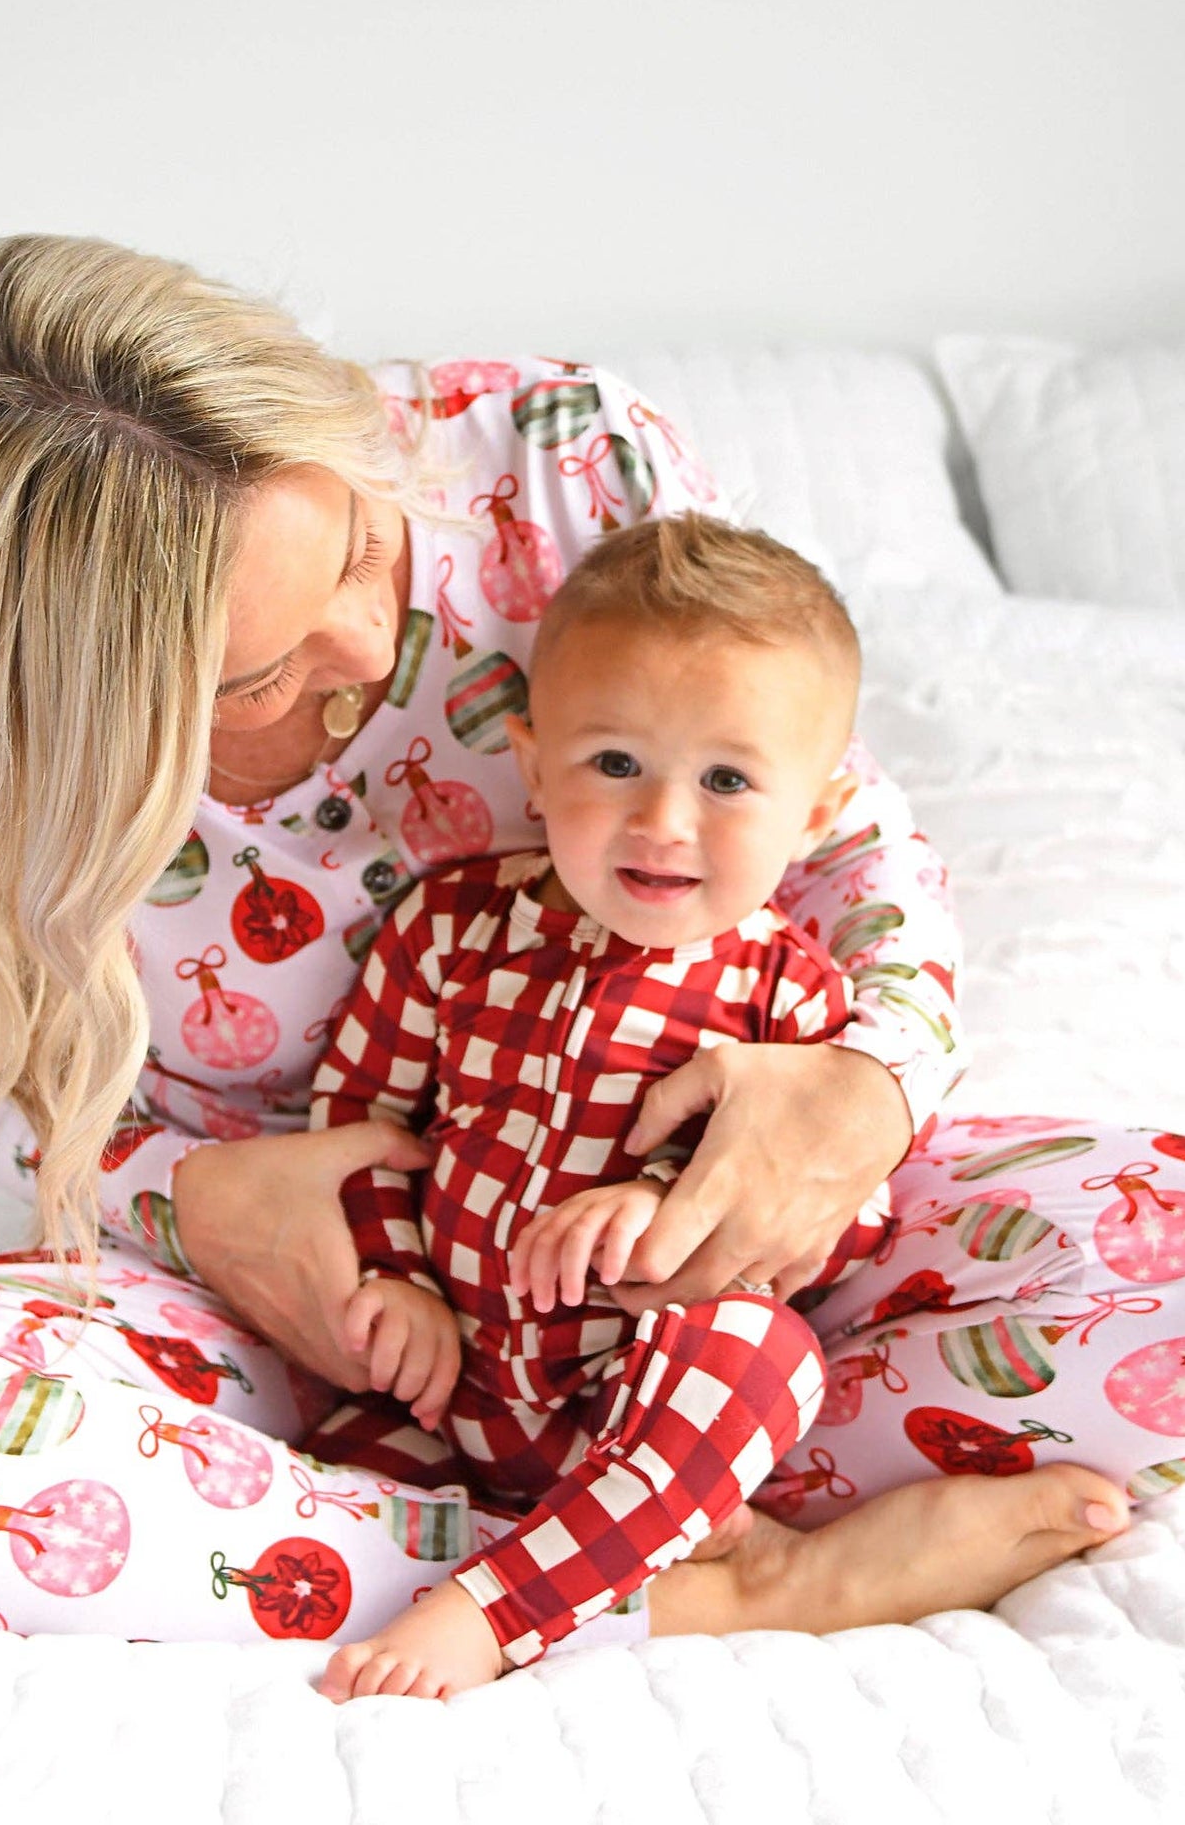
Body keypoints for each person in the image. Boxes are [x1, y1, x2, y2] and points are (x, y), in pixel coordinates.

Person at [0, 233, 1185, 1670]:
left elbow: (832, 821)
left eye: (357, 548)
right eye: (255, 676)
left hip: (709, 1271)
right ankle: (693, 1574)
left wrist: (866, 1083)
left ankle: (523, 1539)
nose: (369, 645)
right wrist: (188, 1200)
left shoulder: (547, 463)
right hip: (315, 1335)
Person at [307, 511, 903, 1698]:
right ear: (533, 766)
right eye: (614, 763)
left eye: (726, 780)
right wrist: (396, 1279)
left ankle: (492, 1609)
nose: (663, 821)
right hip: (444, 1392)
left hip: (634, 1403)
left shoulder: (788, 995)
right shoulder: (450, 929)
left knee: (763, 1360)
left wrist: (662, 1206)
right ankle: (635, 1572)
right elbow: (359, 1118)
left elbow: (844, 1218)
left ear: (814, 812)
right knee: (296, 1479)